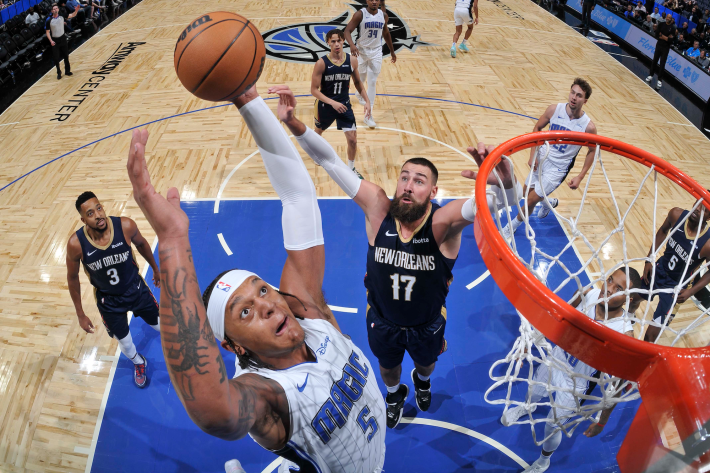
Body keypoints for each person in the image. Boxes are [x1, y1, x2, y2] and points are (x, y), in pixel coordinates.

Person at [128, 84, 389, 472]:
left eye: (262, 290)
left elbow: (299, 196)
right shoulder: (265, 395)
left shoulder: (306, 309)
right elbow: (213, 409)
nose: (266, 305)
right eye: (245, 313)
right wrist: (171, 242)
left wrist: (245, 98)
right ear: (233, 347)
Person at [291, 90, 522, 428]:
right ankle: (394, 394)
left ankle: (422, 382)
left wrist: (507, 183)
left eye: (419, 180)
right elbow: (330, 162)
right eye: (404, 177)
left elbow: (502, 204)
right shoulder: (378, 209)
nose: (409, 186)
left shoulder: (443, 223)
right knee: (387, 368)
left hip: (426, 325)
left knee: (426, 365)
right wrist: (294, 123)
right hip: (382, 321)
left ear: (433, 192)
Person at [503, 268, 644, 473]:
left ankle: (544, 461)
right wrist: (529, 341)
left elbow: (617, 386)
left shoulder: (624, 334)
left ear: (628, 299)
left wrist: (602, 423)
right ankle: (527, 407)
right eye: (610, 280)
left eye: (618, 288)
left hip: (578, 382)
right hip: (558, 358)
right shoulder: (588, 293)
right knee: (533, 390)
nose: (608, 288)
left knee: (552, 425)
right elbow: (557, 317)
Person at [66, 192, 161, 388]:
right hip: (109, 302)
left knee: (161, 326)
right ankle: (139, 362)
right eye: (91, 213)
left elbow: (142, 243)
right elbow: (72, 277)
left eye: (99, 208)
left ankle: (179, 343)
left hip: (136, 290)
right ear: (83, 219)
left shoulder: (124, 225)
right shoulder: (76, 244)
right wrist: (80, 314)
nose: (98, 215)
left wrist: (155, 268)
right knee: (125, 343)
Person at [501, 78, 597, 240]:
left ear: (585, 101)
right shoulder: (554, 110)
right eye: (572, 92)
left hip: (558, 168)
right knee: (525, 193)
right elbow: (537, 128)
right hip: (542, 157)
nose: (574, 97)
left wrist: (580, 176)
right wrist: (533, 155)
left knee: (530, 200)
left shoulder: (588, 127)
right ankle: (547, 203)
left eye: (579, 95)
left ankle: (510, 227)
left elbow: (592, 151)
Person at [641, 203, 710, 343]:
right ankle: (629, 317)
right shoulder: (676, 214)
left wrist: (691, 292)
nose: (697, 209)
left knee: (650, 336)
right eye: (698, 204)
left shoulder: (707, 244)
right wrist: (649, 259)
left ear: (709, 217)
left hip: (676, 288)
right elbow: (662, 230)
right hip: (659, 269)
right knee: (635, 297)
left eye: (705, 209)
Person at [311, 29, 371, 174]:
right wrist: (332, 103)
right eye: (333, 41)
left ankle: (351, 169)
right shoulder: (321, 63)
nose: (337, 44)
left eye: (339, 41)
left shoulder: (352, 60)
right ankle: (315, 153)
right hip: (326, 106)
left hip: (344, 105)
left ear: (343, 41)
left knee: (353, 140)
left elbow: (357, 82)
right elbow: (314, 90)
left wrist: (367, 101)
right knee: (318, 132)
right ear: (328, 43)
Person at [344, 0, 396, 129]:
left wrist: (392, 51)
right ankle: (359, 93)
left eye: (376, 0)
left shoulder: (383, 15)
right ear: (367, 1)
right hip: (361, 51)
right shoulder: (360, 14)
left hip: (376, 51)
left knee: (372, 82)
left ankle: (369, 115)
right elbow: (346, 31)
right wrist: (351, 45)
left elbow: (386, 33)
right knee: (361, 79)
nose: (374, 2)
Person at [646, 14, 676, 89]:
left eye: (669, 18)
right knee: (654, 60)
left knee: (662, 64)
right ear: (666, 17)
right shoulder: (661, 24)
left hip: (666, 48)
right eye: (667, 17)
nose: (668, 18)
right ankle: (650, 75)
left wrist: (662, 36)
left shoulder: (672, 28)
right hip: (659, 45)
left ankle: (659, 80)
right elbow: (657, 34)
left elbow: (671, 40)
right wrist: (666, 37)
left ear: (671, 19)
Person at [45, 4, 73, 80]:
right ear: (51, 11)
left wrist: (76, 10)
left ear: (58, 9)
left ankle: (67, 71)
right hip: (55, 40)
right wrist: (51, 41)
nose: (55, 9)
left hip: (63, 38)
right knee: (56, 58)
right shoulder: (49, 20)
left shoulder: (62, 16)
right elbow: (47, 32)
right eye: (54, 9)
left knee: (66, 56)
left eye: (56, 8)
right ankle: (58, 72)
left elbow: (72, 15)